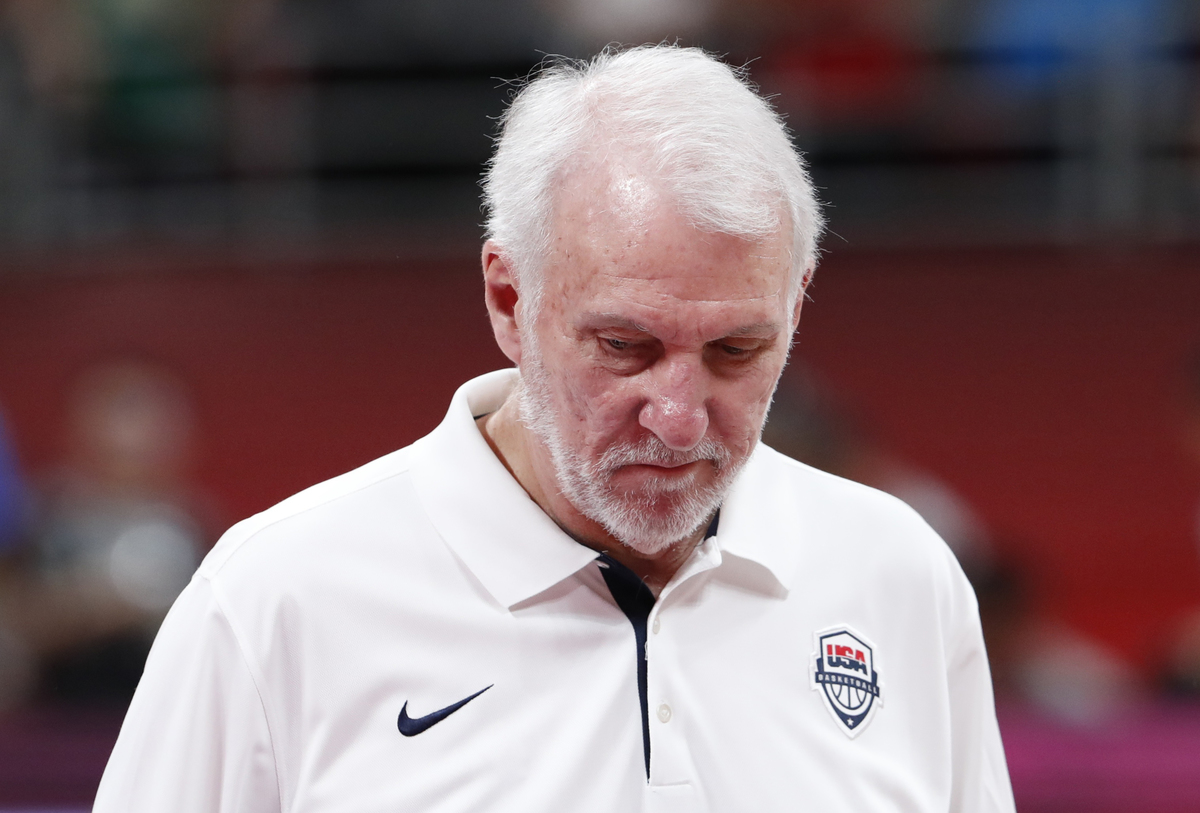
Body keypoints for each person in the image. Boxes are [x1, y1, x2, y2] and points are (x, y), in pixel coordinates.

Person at [94, 45, 1014, 812]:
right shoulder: (273, 601)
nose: (679, 417)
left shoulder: (899, 574)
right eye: (624, 346)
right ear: (508, 299)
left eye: (737, 349)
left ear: (798, 304)